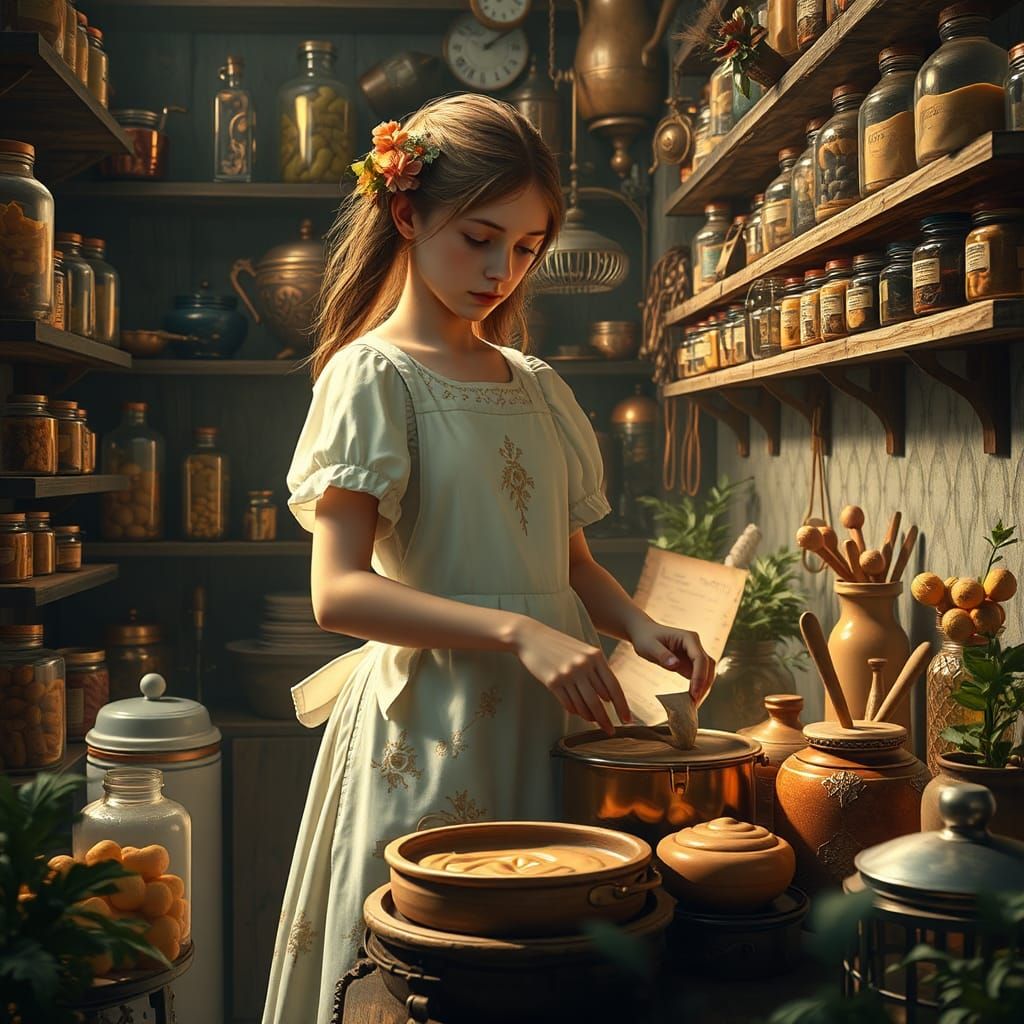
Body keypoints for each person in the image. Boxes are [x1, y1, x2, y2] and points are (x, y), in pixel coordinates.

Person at [262, 93, 714, 1023]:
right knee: (429, 984)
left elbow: (573, 563)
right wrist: (516, 632)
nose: (501, 270)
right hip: (431, 729)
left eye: (525, 248)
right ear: (406, 214)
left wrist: (641, 625)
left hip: (554, 726)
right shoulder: (372, 375)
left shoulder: (541, 386)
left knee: (544, 975)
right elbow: (337, 594)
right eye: (479, 237)